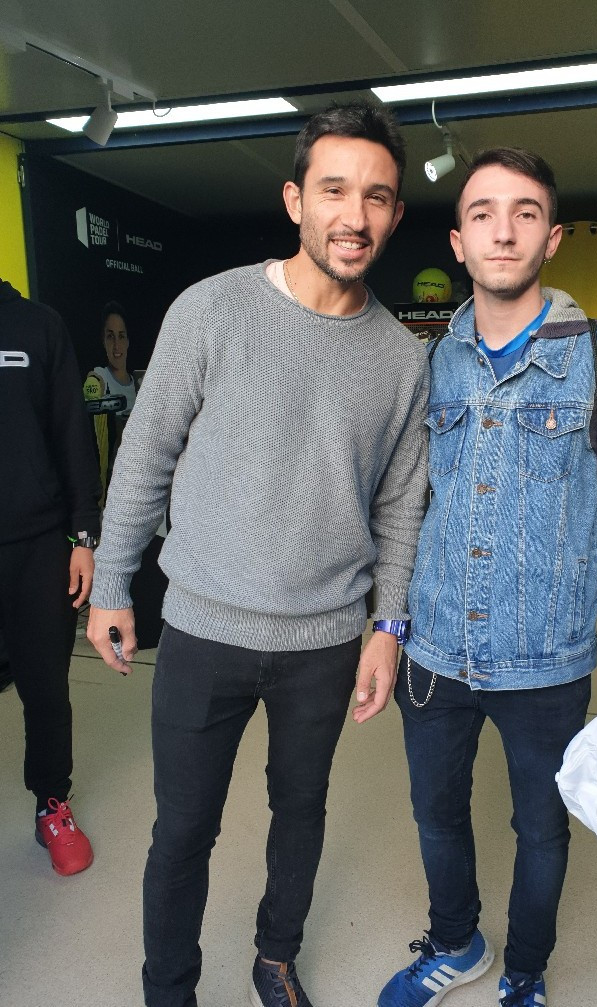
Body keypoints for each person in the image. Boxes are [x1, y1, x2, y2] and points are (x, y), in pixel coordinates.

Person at [86, 102, 429, 1007]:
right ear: (294, 200)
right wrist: (111, 581)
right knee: (183, 830)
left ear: (395, 214)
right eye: (334, 190)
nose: (354, 214)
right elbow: (146, 455)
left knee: (301, 815)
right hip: (204, 629)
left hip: (324, 641)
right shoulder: (211, 310)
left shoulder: (402, 360)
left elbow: (401, 507)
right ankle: (170, 990)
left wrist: (387, 627)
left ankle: (275, 958)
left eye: (377, 196)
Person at [378, 149, 597, 1007]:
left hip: (546, 658)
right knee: (436, 813)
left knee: (541, 828)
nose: (502, 230)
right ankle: (457, 940)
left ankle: (525, 971)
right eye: (482, 213)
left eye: (524, 212)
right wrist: (388, 624)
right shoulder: (430, 364)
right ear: (458, 241)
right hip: (434, 651)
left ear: (552, 236)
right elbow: (403, 509)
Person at [0, 278, 101, 875]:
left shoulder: (38, 326)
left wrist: (83, 536)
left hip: (38, 544)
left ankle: (51, 804)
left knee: (44, 686)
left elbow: (71, 433)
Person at [83, 301, 136, 500]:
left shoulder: (140, 384)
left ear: (128, 341)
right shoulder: (100, 376)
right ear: (103, 340)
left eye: (121, 336)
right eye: (110, 336)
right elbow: (92, 385)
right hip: (113, 483)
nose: (116, 345)